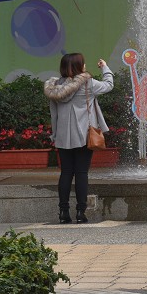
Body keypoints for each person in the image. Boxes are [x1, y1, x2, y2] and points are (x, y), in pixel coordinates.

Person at [44, 53, 114, 224]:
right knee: (82, 173)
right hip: (84, 135)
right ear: (79, 66)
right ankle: (81, 213)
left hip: (62, 136)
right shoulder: (88, 83)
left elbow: (53, 115)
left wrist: (55, 134)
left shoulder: (54, 87)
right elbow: (109, 85)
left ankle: (63, 212)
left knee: (66, 172)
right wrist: (105, 67)